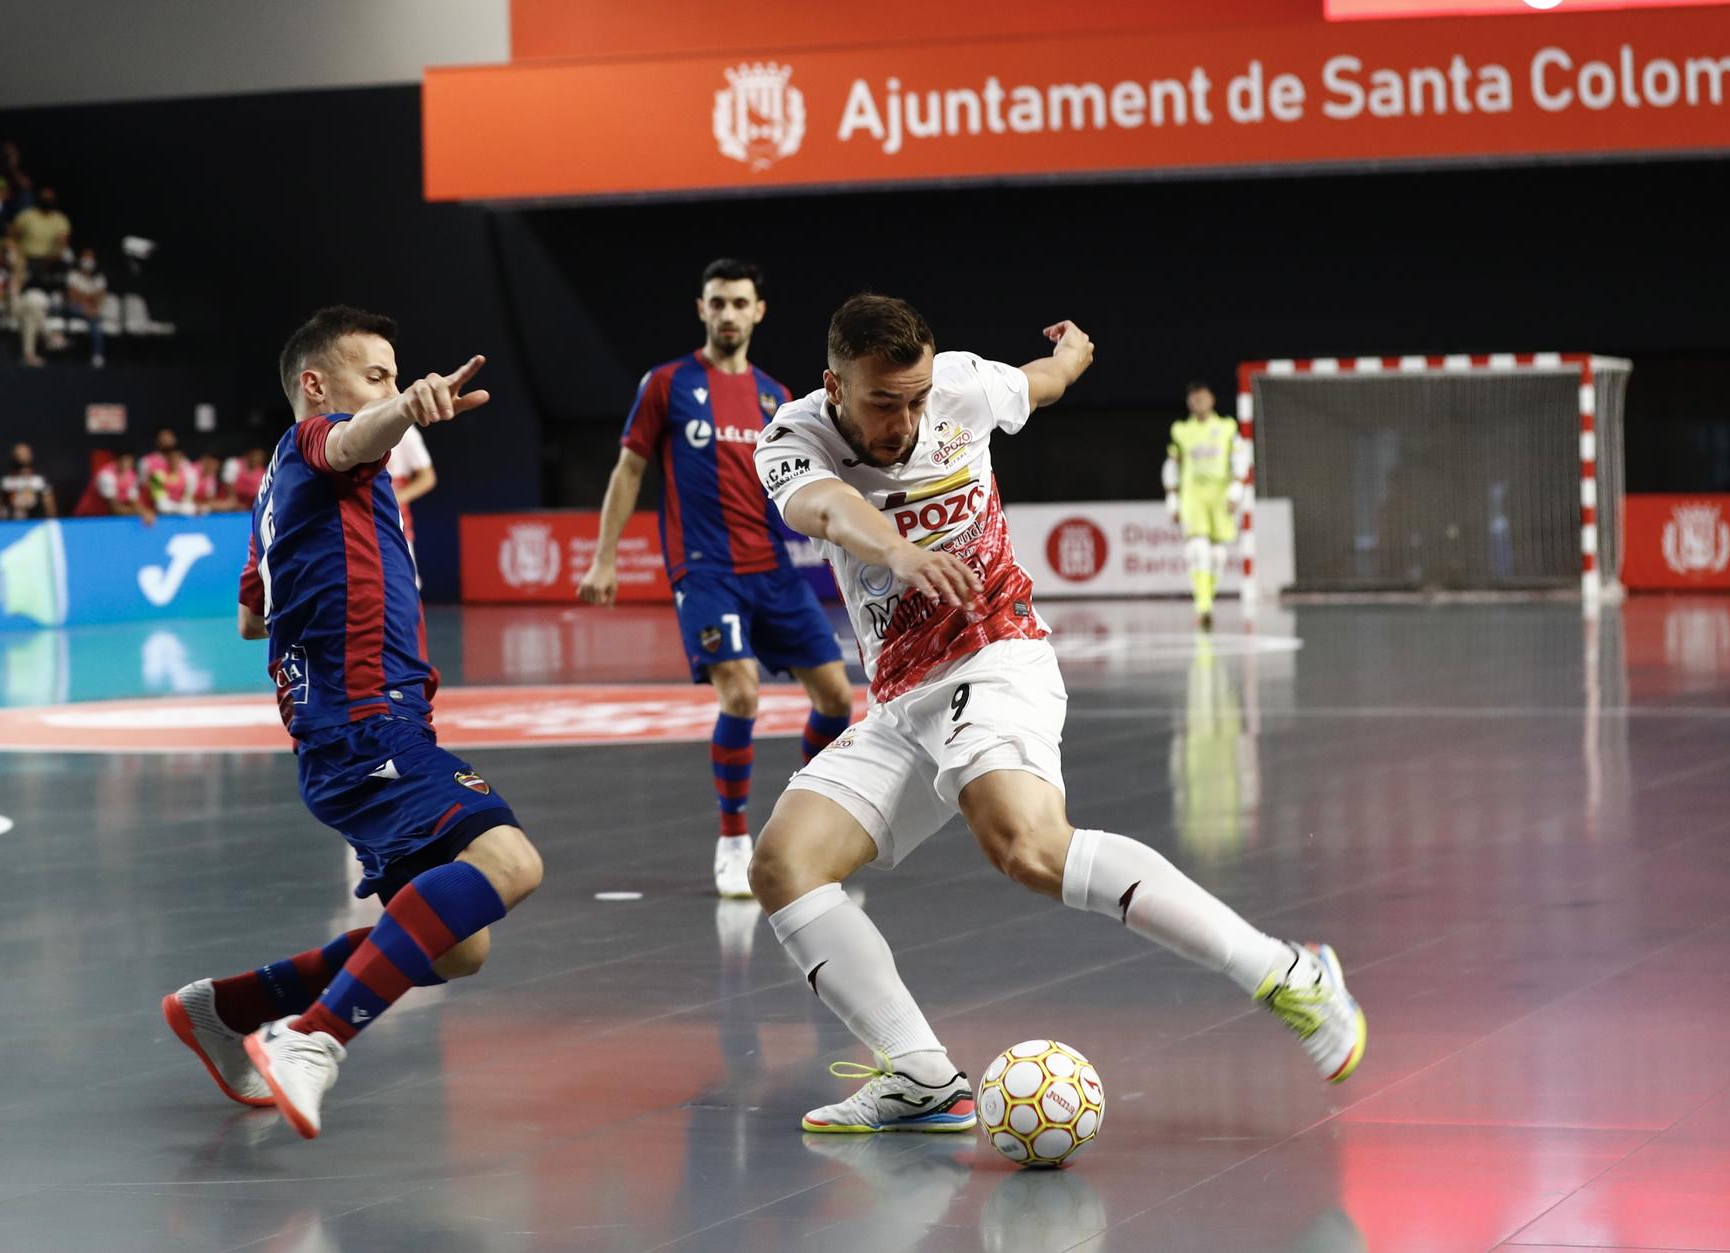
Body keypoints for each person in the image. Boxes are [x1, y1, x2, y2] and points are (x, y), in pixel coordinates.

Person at [746, 294, 1366, 1134]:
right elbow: (825, 508)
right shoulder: (792, 436)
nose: (906, 419)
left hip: (999, 654)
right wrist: (896, 549)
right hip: (902, 698)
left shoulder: (960, 386)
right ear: (835, 386)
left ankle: (1290, 971)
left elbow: (1036, 385)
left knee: (1027, 845)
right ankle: (923, 1077)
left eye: (917, 397)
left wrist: (1073, 355)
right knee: (785, 863)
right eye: (883, 402)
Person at [160, 305, 540, 1141]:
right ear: (315, 384)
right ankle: (312, 1037)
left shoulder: (275, 490)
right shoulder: (313, 447)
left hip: (350, 729)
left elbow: (250, 620)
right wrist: (403, 411)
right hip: (369, 721)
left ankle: (229, 1007)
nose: (392, 389)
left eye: (396, 378)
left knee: (456, 946)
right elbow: (344, 441)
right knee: (510, 862)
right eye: (377, 375)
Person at [576, 258, 855, 899]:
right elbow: (628, 471)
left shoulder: (776, 397)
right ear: (702, 310)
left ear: (758, 311)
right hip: (703, 571)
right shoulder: (666, 384)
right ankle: (733, 842)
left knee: (838, 701)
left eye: (739, 303)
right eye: (717, 303)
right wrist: (605, 556)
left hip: (773, 572)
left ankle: (802, 831)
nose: (728, 313)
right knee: (741, 694)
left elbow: (802, 482)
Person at [1164, 381, 1241, 628]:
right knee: (1198, 550)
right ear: (1188, 403)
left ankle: (1207, 598)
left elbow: (1238, 459)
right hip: (1192, 495)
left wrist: (1236, 491)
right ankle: (1203, 605)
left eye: (1202, 396)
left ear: (1212, 399)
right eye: (1193, 398)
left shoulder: (1228, 427)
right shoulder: (1180, 430)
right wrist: (1173, 500)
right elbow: (1172, 465)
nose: (1198, 401)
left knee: (1218, 555)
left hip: (1220, 496)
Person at [388, 425, 436, 542]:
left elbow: (427, 477)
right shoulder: (344, 424)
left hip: (396, 531)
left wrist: (391, 500)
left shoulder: (404, 429)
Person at [65, 247, 109, 367]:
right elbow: (72, 295)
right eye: (85, 257)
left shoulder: (100, 277)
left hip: (92, 309)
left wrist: (83, 296)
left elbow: (99, 297)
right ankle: (97, 353)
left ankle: (97, 355)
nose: (88, 260)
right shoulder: (73, 275)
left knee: (94, 319)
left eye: (90, 257)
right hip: (75, 308)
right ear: (80, 259)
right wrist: (87, 299)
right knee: (91, 315)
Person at [0, 444, 57, 521]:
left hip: (36, 522)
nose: (23, 456)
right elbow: (0, 505)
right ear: (14, 456)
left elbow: (49, 503)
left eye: (25, 453)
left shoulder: (39, 479)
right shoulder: (6, 480)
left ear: (31, 455)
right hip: (12, 523)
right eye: (19, 453)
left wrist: (52, 521)